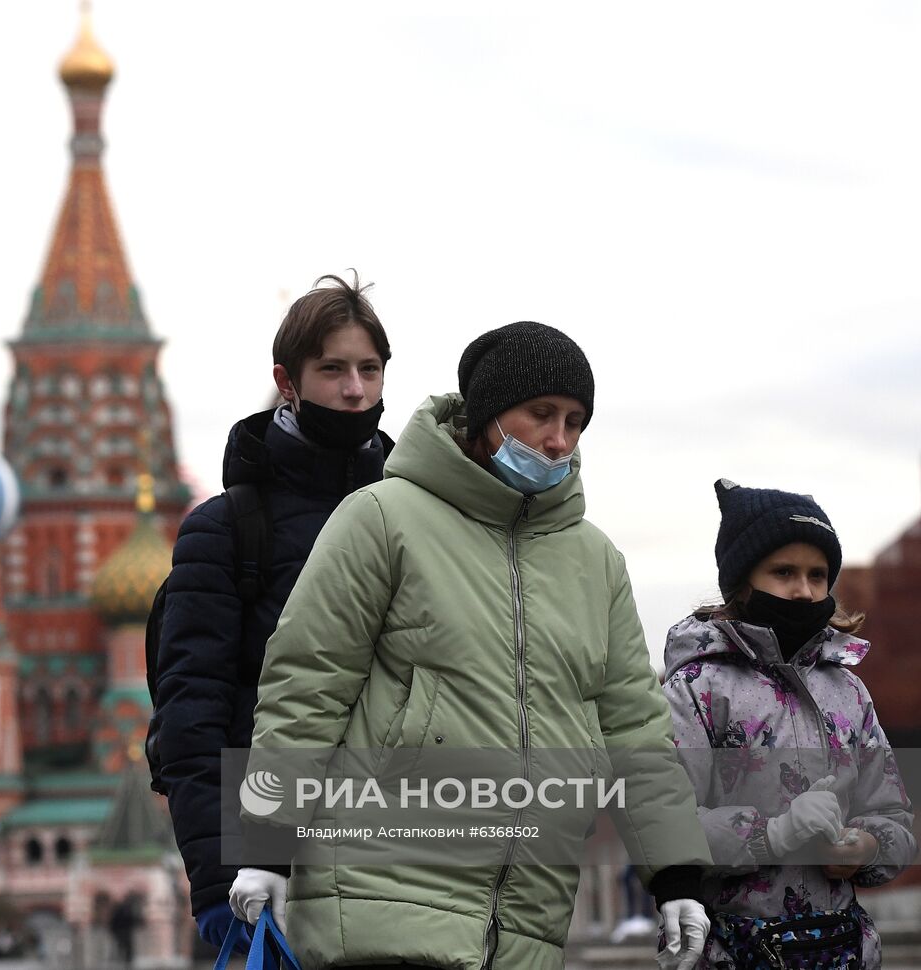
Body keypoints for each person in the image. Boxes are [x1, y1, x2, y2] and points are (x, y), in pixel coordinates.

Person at [231, 322, 714, 969]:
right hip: (383, 899)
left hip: (526, 925)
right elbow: (306, 688)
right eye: (540, 414)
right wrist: (265, 845)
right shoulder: (383, 519)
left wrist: (676, 874)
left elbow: (637, 728)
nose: (558, 439)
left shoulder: (596, 560)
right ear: (487, 415)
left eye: (575, 421)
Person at [152, 272, 394, 950]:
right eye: (333, 369)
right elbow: (192, 716)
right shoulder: (226, 531)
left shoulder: (417, 523)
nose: (354, 390)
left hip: (401, 859)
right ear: (288, 381)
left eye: (369, 370)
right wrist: (216, 878)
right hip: (273, 868)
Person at [661, 480, 917, 969]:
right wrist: (773, 835)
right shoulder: (698, 686)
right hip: (733, 951)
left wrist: (866, 846)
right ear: (741, 582)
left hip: (843, 951)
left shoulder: (848, 690)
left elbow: (897, 821)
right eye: (783, 572)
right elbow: (665, 823)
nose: (803, 591)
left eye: (817, 575)